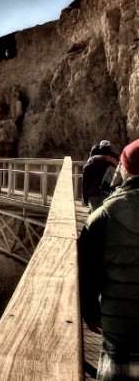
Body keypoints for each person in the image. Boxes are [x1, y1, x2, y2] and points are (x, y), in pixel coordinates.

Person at [79, 138, 139, 380]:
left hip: (120, 335)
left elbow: (88, 271)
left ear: (125, 168)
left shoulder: (104, 216)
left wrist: (90, 313)